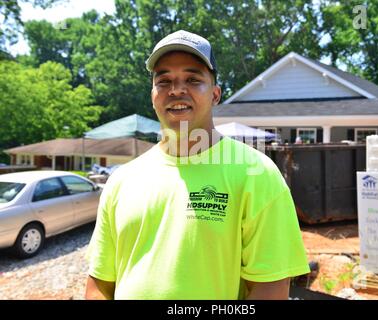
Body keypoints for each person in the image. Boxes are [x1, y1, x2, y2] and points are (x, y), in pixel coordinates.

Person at [85, 30, 310, 300]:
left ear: (215, 94)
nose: (177, 89)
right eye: (164, 80)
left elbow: (270, 288)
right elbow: (99, 283)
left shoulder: (256, 173)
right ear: (153, 95)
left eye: (192, 79)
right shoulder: (122, 180)